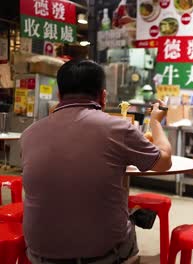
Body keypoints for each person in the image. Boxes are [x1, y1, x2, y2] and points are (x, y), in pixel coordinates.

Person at [20, 60, 172, 263]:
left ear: (59, 96)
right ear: (102, 96)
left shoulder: (29, 133)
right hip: (102, 256)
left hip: (39, 254)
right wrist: (155, 121)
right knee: (130, 219)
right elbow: (164, 162)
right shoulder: (117, 129)